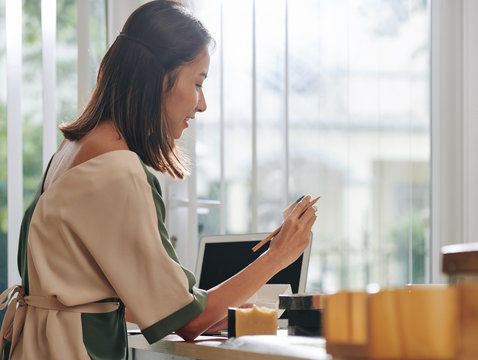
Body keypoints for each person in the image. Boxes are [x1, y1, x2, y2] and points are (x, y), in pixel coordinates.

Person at [0, 1, 317, 359]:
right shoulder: (118, 171)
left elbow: (104, 290)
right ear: (159, 78)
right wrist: (278, 257)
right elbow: (189, 322)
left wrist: (210, 309)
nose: (202, 104)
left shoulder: (73, 148)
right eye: (198, 83)